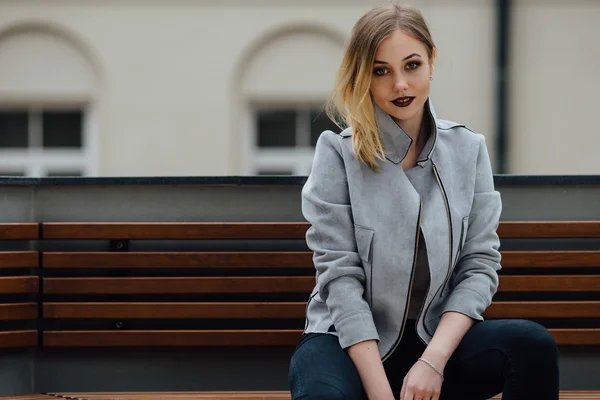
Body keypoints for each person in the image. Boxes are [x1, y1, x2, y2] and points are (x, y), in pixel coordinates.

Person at [288, 4, 559, 400]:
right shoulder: (338, 154)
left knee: (530, 344)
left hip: (436, 344)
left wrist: (433, 362)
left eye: (411, 65)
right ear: (364, 76)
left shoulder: (468, 149)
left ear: (431, 62)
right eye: (381, 70)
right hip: (348, 344)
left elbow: (479, 266)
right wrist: (382, 394)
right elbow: (340, 279)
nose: (400, 84)